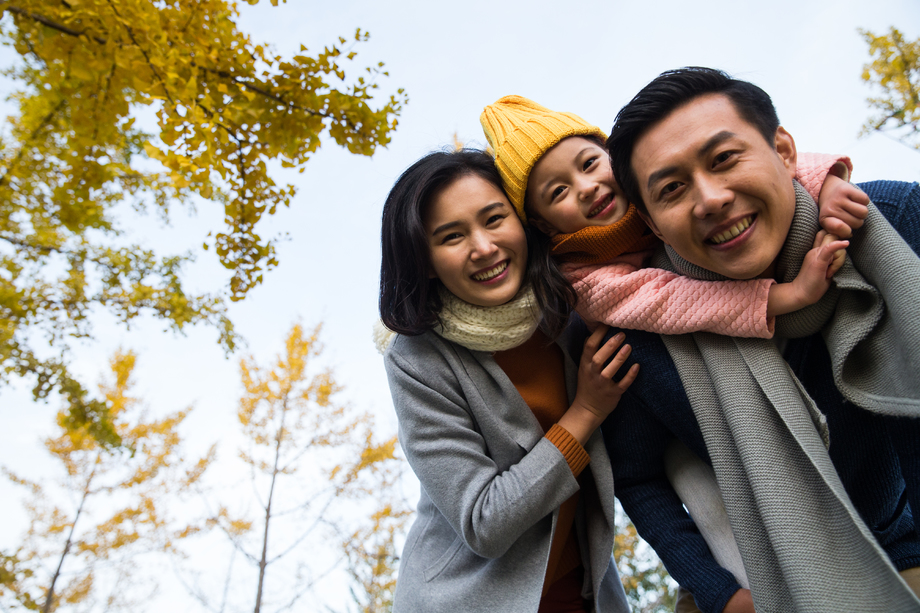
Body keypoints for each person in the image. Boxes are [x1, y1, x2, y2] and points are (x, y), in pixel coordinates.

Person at [601, 66, 920, 613]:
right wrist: (716, 591)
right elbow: (636, 475)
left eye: (724, 159)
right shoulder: (646, 336)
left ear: (785, 151)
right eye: (672, 189)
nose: (711, 199)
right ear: (652, 225)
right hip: (777, 586)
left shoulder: (894, 223)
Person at [377, 148, 638, 612]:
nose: (483, 247)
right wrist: (587, 412)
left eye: (494, 219)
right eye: (452, 236)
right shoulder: (418, 358)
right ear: (425, 262)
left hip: (585, 594)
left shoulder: (573, 310)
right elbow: (484, 523)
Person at [479, 95, 866, 339]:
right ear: (545, 225)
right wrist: (789, 296)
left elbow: (759, 168)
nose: (586, 187)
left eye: (590, 163)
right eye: (559, 191)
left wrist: (827, 183)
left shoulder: (655, 188)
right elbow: (672, 301)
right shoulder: (582, 278)